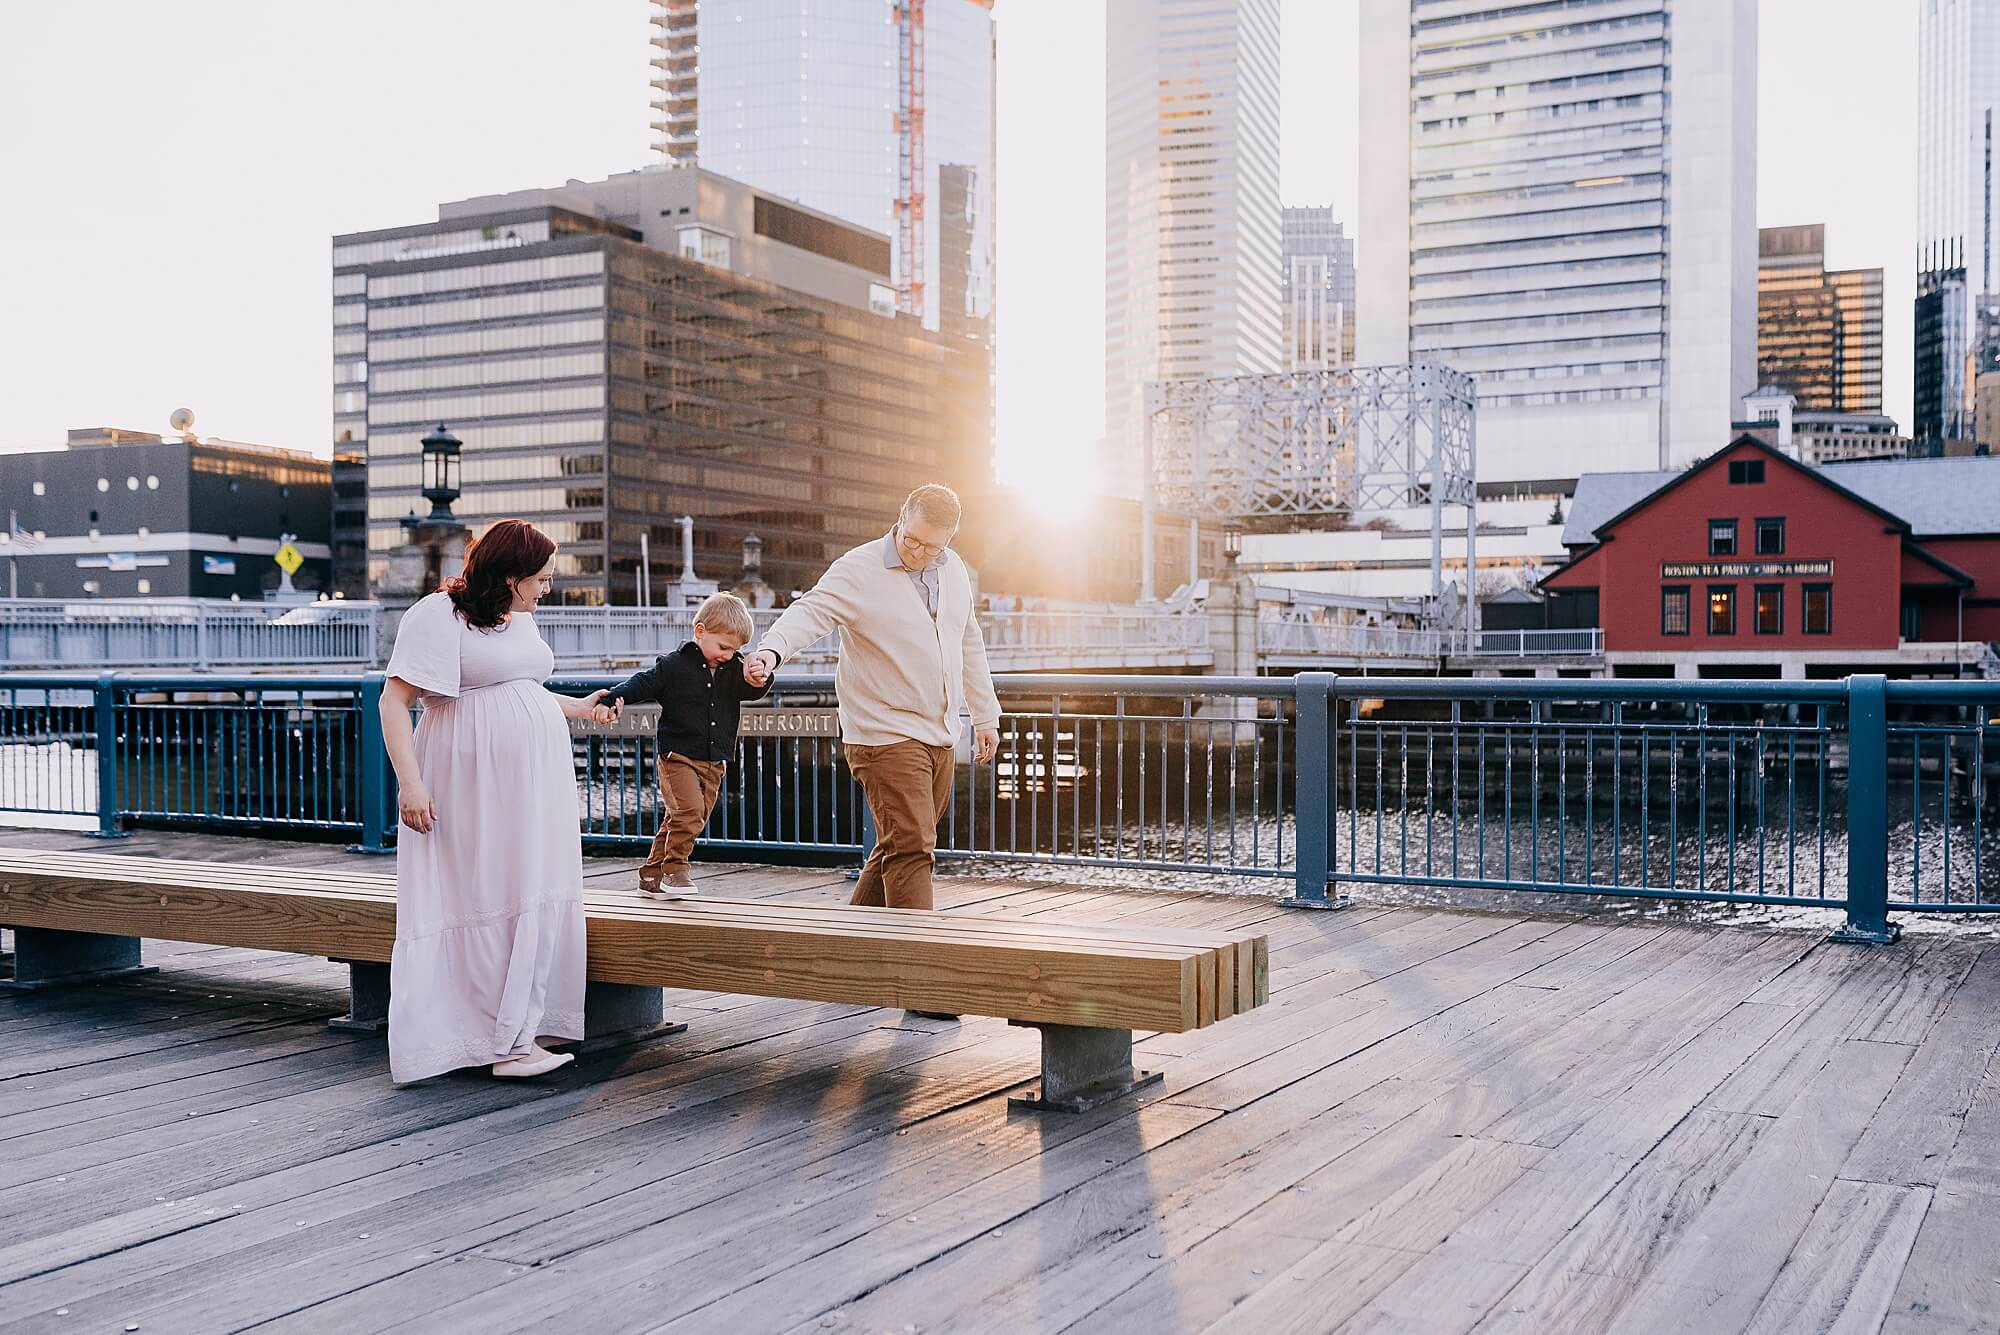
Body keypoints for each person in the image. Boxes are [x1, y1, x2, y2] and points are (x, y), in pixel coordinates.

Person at [379, 519, 616, 1084]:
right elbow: (394, 702)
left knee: (528, 886)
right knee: (479, 889)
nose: (547, 588)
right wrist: (411, 785)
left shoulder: (520, 620)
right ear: (510, 574)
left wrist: (579, 708)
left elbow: (521, 691)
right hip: (468, 776)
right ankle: (487, 1038)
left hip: (534, 783)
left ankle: (518, 1031)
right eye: (541, 578)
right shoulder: (438, 615)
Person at [745, 484, 1001, 923]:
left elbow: (968, 642)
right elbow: (812, 611)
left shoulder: (953, 569)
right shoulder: (859, 568)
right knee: (912, 847)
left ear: (950, 539)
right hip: (882, 733)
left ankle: (849, 946)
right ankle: (914, 972)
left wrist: (985, 716)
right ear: (901, 517)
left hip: (937, 733)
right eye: (912, 538)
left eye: (932, 545)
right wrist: (771, 653)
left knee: (898, 844)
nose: (918, 551)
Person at [601, 591, 770, 899]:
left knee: (687, 816)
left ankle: (650, 875)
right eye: (723, 647)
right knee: (688, 810)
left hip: (714, 758)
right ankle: (675, 870)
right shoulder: (674, 666)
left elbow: (753, 690)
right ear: (700, 632)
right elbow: (643, 682)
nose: (729, 655)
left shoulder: (734, 668)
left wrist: (759, 677)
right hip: (677, 754)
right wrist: (615, 696)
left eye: (736, 650)